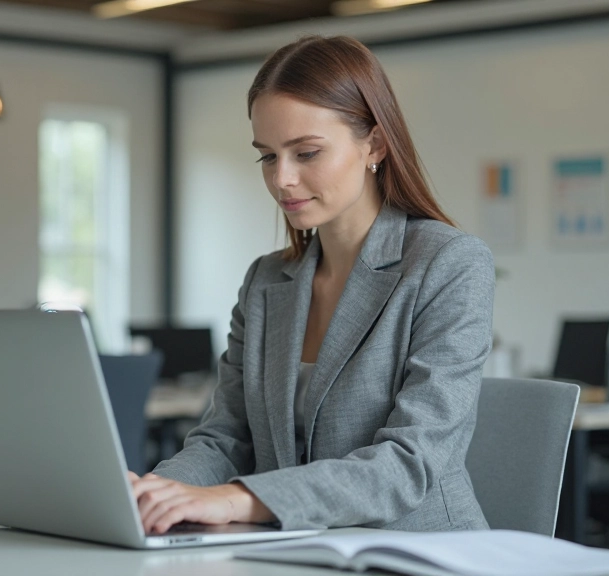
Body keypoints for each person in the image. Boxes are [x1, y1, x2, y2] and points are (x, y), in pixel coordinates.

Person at [128, 35, 495, 535]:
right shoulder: (265, 281)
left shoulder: (449, 263)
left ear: (376, 145)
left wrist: (237, 499)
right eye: (267, 156)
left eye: (306, 153)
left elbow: (410, 463)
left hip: (419, 552)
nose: (282, 179)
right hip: (297, 550)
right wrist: (157, 493)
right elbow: (226, 438)